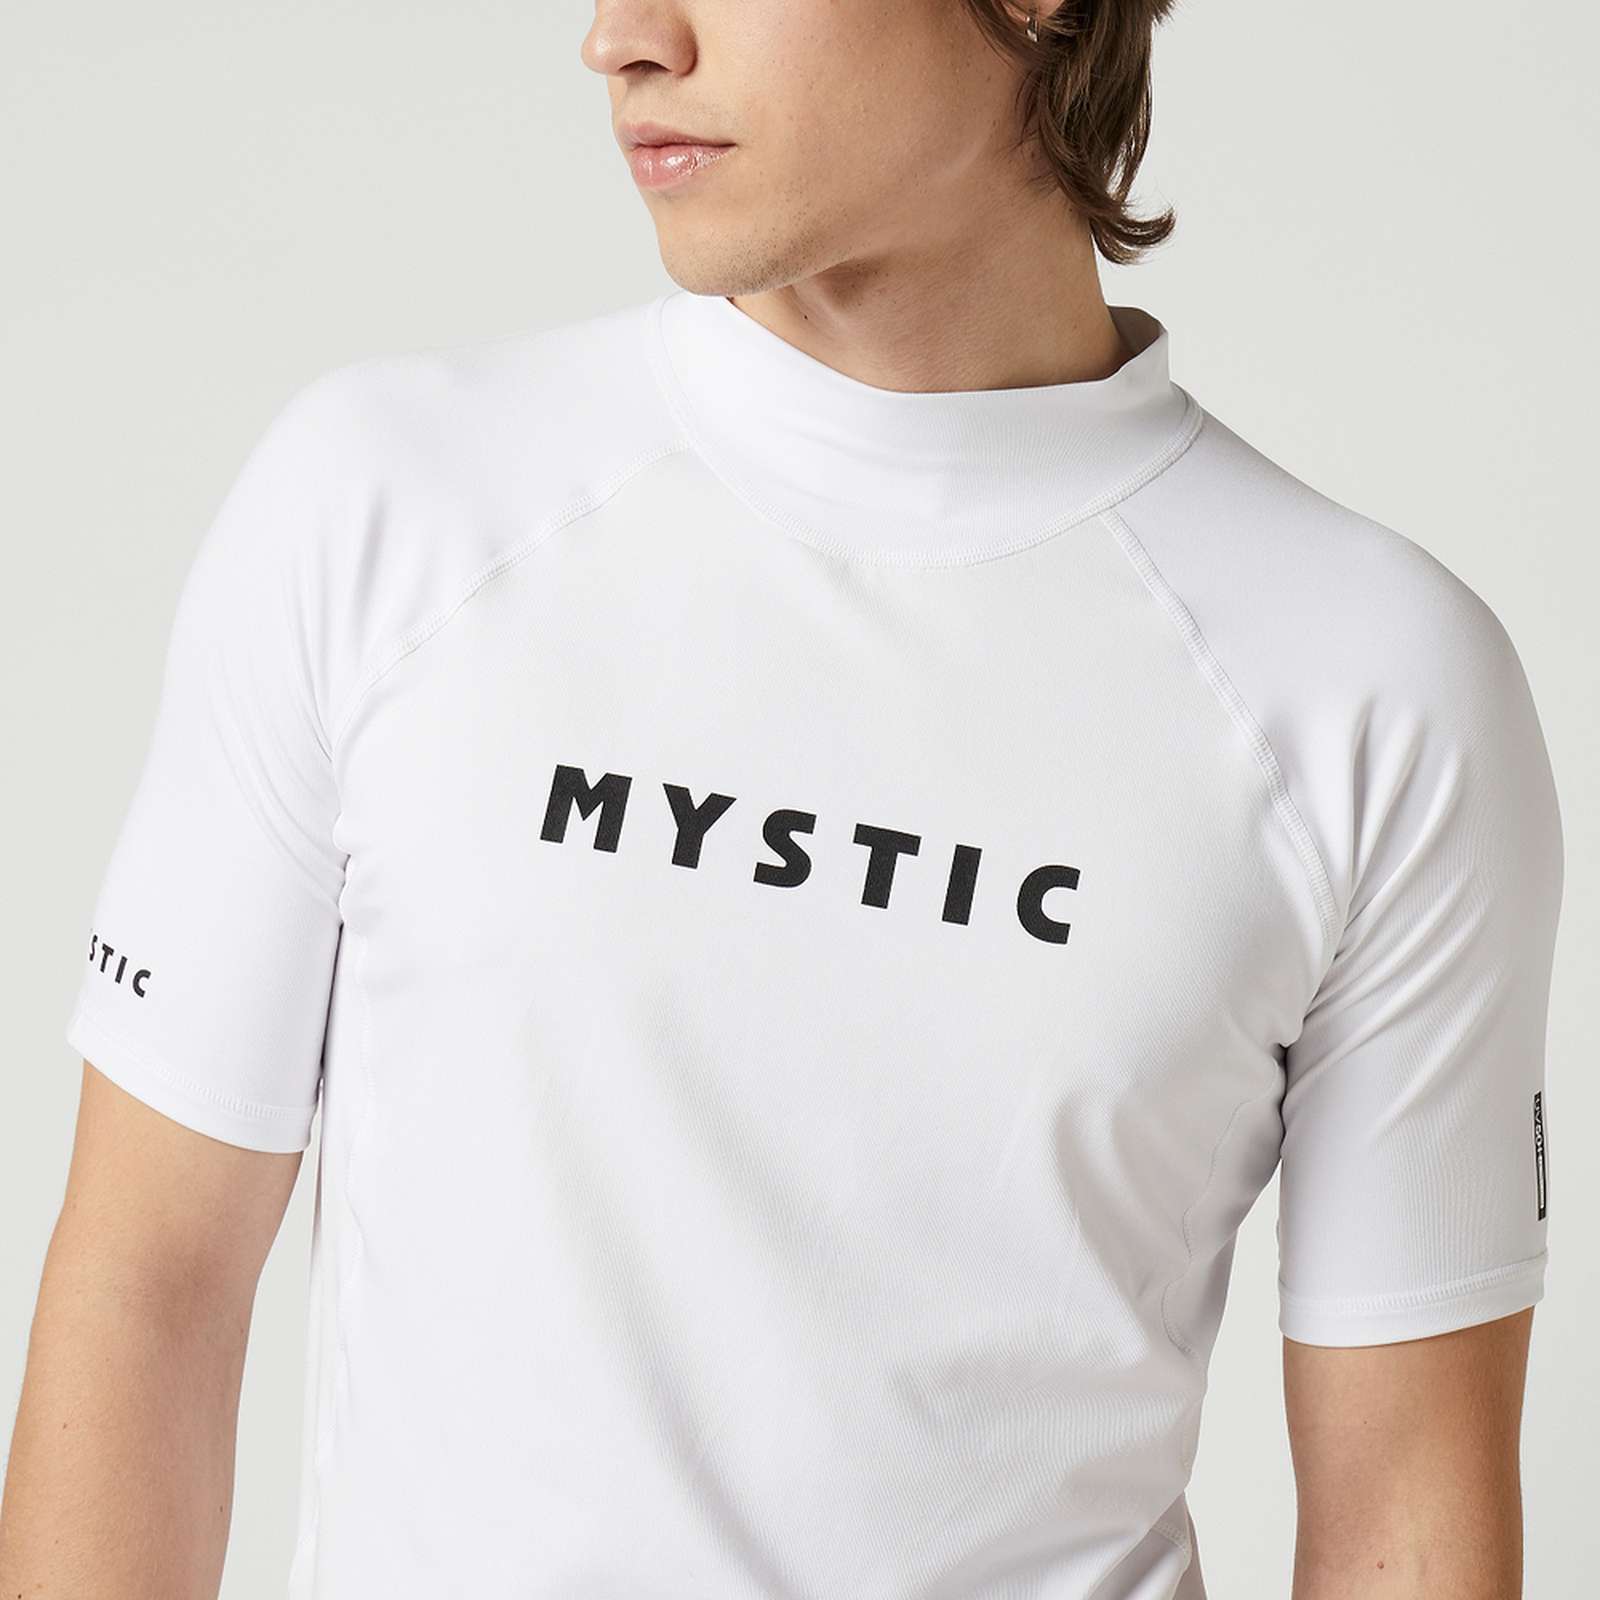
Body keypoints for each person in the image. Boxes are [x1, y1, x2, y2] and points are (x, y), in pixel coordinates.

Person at [0, 1, 1565, 1596]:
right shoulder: (386, 507)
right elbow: (149, 1286)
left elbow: (1407, 1497)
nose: (623, 38)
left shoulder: (1374, 684)